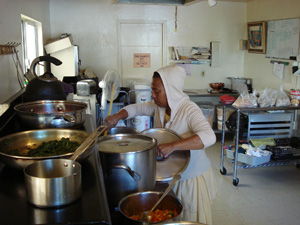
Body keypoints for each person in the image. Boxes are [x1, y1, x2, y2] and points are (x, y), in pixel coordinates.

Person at [103, 65, 217, 224]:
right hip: (170, 175)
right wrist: (116, 116)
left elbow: (209, 136)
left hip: (190, 178)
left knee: (190, 218)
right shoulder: (159, 107)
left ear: (171, 91)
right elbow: (136, 109)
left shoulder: (189, 110)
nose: (153, 95)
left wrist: (173, 146)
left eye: (157, 91)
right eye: (153, 90)